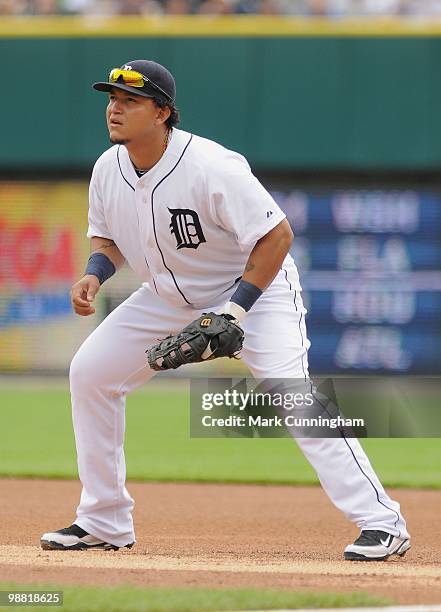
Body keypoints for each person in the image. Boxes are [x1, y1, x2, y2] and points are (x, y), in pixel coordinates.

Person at [40, 59, 411, 561]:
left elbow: (277, 235)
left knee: (294, 398)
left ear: (163, 112)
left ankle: (382, 523)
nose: (115, 109)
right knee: (90, 373)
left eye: (131, 101)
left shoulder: (212, 166)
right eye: (112, 99)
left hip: (254, 293)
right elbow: (107, 239)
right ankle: (103, 520)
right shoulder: (108, 168)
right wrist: (93, 273)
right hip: (167, 296)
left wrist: (236, 311)